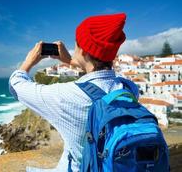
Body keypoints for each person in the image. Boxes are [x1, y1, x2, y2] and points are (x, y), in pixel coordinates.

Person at [8, 13, 139, 172]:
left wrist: (29, 61)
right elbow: (102, 77)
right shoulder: (128, 89)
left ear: (82, 51)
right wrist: (70, 61)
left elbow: (15, 85)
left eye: (76, 43)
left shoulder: (66, 95)